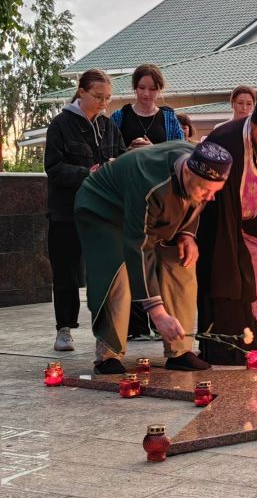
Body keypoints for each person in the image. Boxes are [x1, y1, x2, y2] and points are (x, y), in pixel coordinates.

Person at [74, 140, 232, 374]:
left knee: (182, 260)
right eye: (205, 190)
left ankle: (180, 350)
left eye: (215, 191)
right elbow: (139, 246)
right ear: (187, 172)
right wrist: (157, 312)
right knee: (118, 272)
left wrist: (187, 234)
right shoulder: (150, 183)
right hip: (103, 209)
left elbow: (195, 201)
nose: (210, 198)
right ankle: (109, 353)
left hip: (151, 215)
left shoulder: (200, 166)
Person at [196, 90, 257, 365]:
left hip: (252, 226)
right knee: (229, 279)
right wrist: (234, 243)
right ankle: (226, 347)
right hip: (219, 227)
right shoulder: (225, 140)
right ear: (254, 123)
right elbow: (212, 200)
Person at [44, 68, 126, 352]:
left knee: (104, 271)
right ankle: (63, 329)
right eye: (99, 97)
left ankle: (105, 329)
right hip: (65, 211)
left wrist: (126, 158)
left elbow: (122, 159)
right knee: (65, 271)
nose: (104, 103)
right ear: (82, 92)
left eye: (108, 98)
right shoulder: (61, 125)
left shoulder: (108, 127)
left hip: (101, 213)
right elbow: (53, 168)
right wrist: (86, 173)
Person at [110, 63, 185, 339]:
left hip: (158, 198)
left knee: (154, 257)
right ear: (134, 88)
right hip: (128, 194)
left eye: (152, 89)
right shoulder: (120, 116)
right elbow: (110, 152)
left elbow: (180, 153)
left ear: (159, 90)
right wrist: (129, 151)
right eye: (141, 88)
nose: (146, 94)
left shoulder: (168, 118)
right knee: (130, 255)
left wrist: (154, 151)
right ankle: (133, 324)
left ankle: (159, 320)